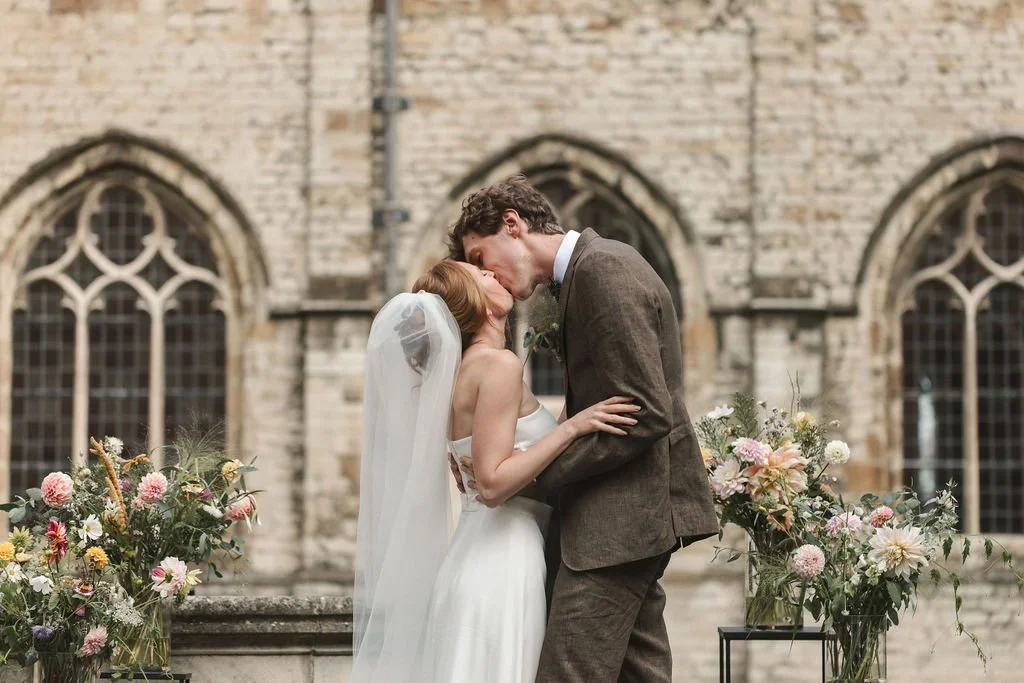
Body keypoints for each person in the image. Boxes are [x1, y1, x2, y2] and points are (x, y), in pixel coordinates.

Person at [449, 175, 719, 683]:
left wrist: (539, 479)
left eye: (482, 260)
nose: (489, 278)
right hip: (625, 520)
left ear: (513, 225)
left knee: (567, 674)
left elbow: (644, 410)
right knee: (639, 672)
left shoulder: (604, 270)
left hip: (617, 525)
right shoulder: (584, 276)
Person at [351, 259, 639, 683]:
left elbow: (502, 452)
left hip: (477, 557)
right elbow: (491, 484)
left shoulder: (461, 373)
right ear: (476, 303)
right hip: (503, 561)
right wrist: (574, 428)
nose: (494, 274)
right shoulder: (499, 366)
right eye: (481, 275)